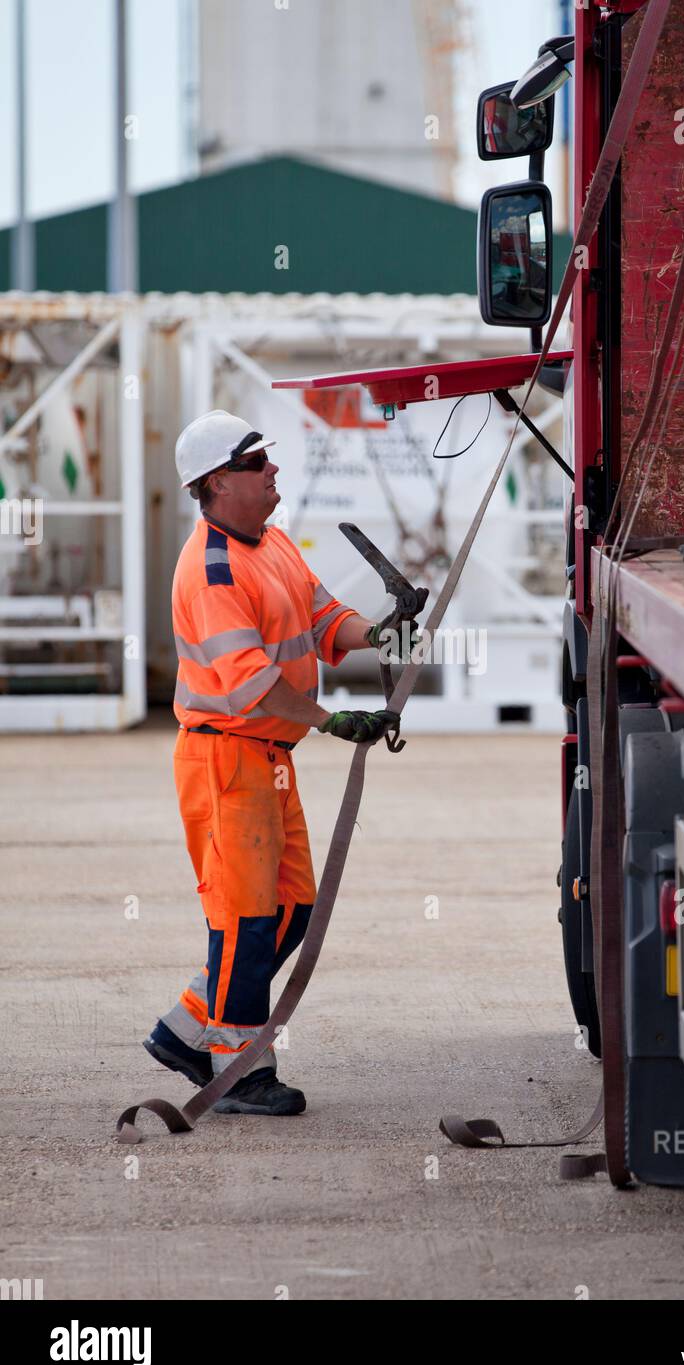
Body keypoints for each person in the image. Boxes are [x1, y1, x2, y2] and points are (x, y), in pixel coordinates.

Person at [143, 410, 410, 1117]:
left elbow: (324, 620)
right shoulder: (213, 570)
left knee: (290, 909)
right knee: (244, 919)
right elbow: (251, 682)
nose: (272, 470)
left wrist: (379, 632)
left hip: (269, 760)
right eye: (256, 461)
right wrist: (332, 721)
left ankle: (185, 1030)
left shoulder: (274, 544)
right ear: (216, 483)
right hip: (226, 758)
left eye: (267, 457)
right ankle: (240, 1072)